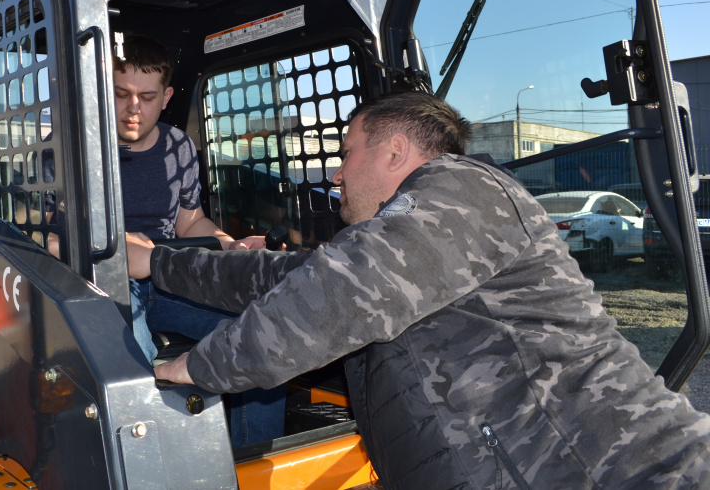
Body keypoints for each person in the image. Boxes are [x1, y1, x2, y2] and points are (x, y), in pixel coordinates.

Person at [128, 92, 710, 489]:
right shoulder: (400, 244)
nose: (335, 174)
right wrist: (158, 264)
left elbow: (335, 297)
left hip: (618, 471)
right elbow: (283, 277)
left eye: (347, 153)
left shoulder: (463, 190)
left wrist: (199, 367)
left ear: (394, 152)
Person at [114, 35, 284, 447]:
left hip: (169, 275)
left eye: (147, 96)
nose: (133, 108)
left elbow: (190, 222)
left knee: (259, 336)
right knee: (131, 356)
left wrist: (229, 247)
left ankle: (255, 463)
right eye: (121, 94)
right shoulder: (75, 147)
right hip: (110, 283)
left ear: (167, 96)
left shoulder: (178, 147)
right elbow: (52, 238)